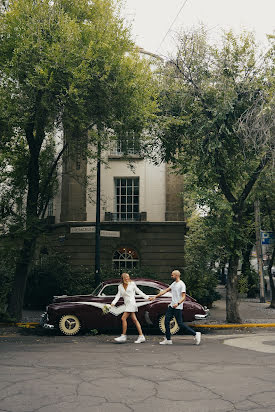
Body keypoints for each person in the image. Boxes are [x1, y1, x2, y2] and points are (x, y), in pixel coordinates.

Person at [149, 270, 201, 345]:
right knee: (166, 321)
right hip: (171, 306)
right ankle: (168, 339)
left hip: (178, 307)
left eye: (172, 275)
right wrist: (155, 297)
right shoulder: (174, 284)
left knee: (180, 324)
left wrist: (178, 303)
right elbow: (165, 290)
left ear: (176, 275)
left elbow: (183, 297)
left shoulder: (181, 284)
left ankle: (195, 334)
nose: (171, 276)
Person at [111, 273, 149, 343]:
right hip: (127, 304)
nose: (127, 278)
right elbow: (118, 296)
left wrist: (147, 298)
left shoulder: (132, 284)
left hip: (132, 303)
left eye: (128, 277)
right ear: (122, 278)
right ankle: (141, 336)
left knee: (123, 318)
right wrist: (113, 303)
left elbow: (138, 291)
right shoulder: (120, 286)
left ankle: (123, 336)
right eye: (125, 277)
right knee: (135, 320)